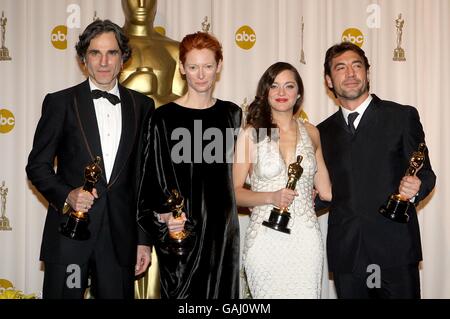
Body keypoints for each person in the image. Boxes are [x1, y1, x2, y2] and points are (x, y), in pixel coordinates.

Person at [26, 19, 154, 299]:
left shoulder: (143, 106)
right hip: (70, 235)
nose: (104, 61)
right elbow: (37, 166)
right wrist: (67, 194)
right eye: (95, 53)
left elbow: (144, 179)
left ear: (124, 58)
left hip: (120, 240)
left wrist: (143, 240)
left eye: (112, 53)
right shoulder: (60, 102)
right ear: (84, 59)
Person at [318, 41, 436, 298]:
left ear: (367, 73)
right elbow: (322, 193)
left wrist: (416, 188)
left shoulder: (401, 116)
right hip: (347, 253)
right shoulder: (321, 132)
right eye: (340, 68)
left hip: (395, 249)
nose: (350, 73)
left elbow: (424, 172)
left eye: (356, 66)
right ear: (329, 80)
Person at [137, 31, 242, 299]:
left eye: (208, 66)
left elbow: (243, 171)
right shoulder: (162, 118)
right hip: (181, 232)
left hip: (222, 232)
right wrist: (165, 218)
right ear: (182, 68)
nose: (201, 74)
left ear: (219, 66)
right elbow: (151, 180)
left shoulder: (232, 114)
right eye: (193, 67)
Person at [233, 62, 332, 298]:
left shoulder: (312, 132)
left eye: (289, 86)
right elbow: (234, 192)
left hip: (305, 240)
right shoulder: (250, 133)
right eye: (274, 86)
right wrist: (271, 196)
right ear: (265, 92)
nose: (281, 93)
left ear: (298, 94)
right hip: (264, 239)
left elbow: (326, 191)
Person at [120, 0, 186, 107]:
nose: (141, 4)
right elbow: (98, 100)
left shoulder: (176, 50)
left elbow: (184, 104)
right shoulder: (109, 47)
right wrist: (130, 86)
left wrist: (154, 100)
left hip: (162, 123)